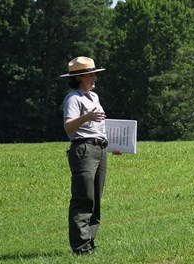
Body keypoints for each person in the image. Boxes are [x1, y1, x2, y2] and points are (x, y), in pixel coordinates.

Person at [61, 56, 121, 255]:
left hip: (100, 149)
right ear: (80, 78)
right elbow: (68, 125)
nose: (95, 78)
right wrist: (87, 116)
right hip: (84, 150)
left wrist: (114, 145)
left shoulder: (94, 97)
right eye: (91, 74)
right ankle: (80, 247)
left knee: (95, 198)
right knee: (83, 197)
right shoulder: (73, 98)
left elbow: (99, 127)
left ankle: (89, 244)